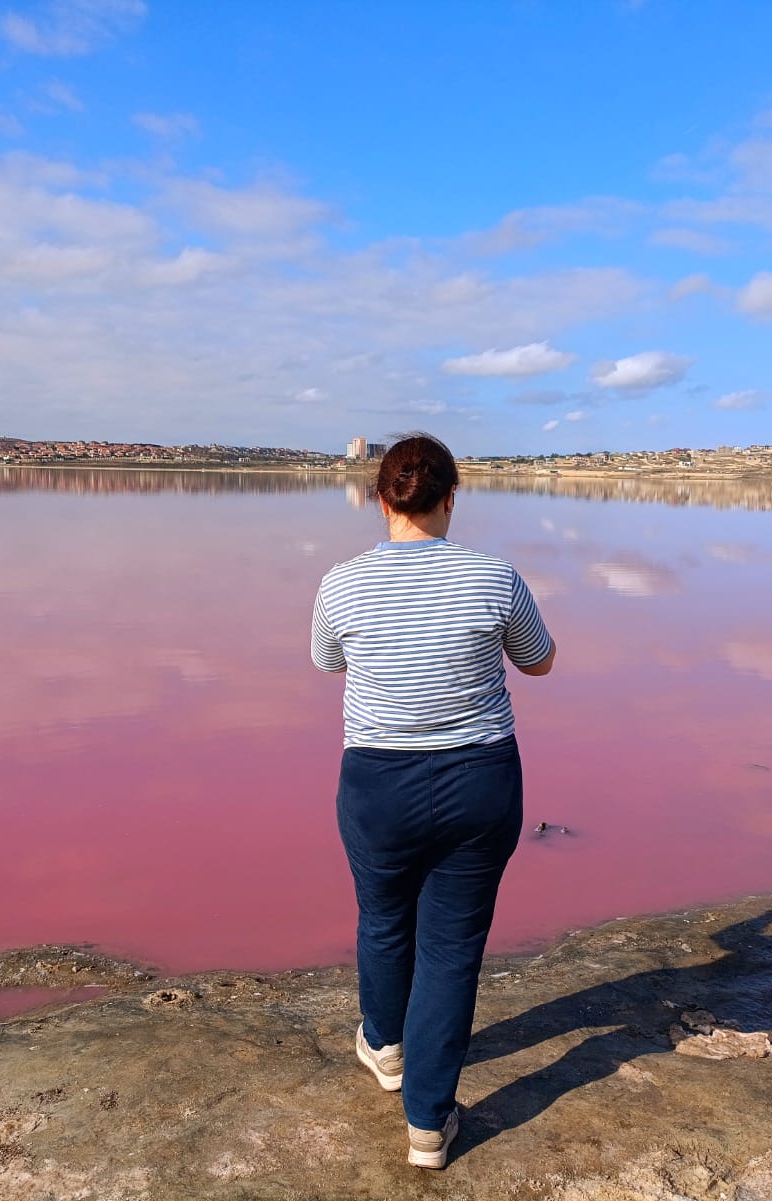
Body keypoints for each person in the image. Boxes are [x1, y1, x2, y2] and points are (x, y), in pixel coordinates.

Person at [310, 433, 556, 1168]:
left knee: (384, 917)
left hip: (377, 782)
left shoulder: (341, 582)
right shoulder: (494, 576)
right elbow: (540, 661)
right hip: (478, 780)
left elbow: (327, 661)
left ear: (381, 500)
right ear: (451, 498)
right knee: (451, 948)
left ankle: (385, 1046)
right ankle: (427, 1123)